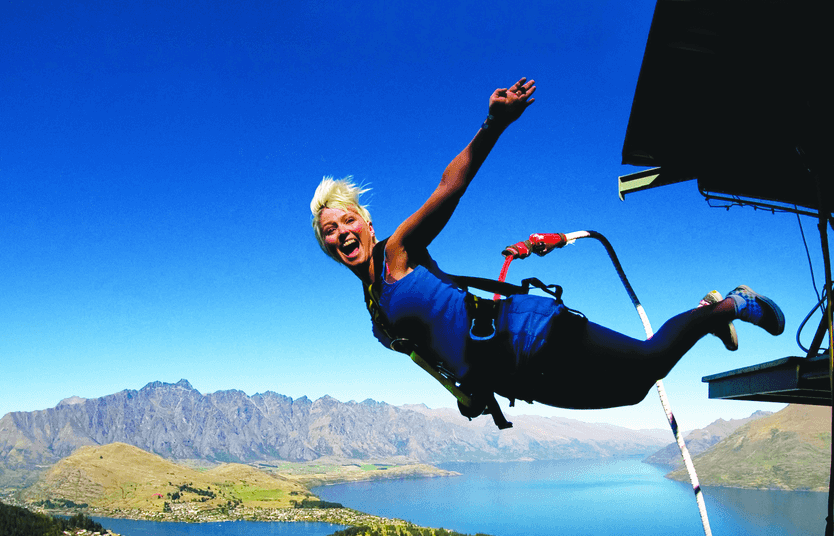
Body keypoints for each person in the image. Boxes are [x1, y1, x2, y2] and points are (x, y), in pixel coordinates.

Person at [310, 78, 783, 422]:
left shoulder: (397, 253)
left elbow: (448, 189)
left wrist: (493, 125)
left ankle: (728, 305)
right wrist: (467, 392)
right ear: (325, 246)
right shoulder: (375, 312)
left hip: (527, 332)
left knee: (646, 363)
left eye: (348, 220)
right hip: (512, 374)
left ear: (367, 224)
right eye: (330, 230)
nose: (342, 233)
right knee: (635, 392)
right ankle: (710, 315)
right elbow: (434, 354)